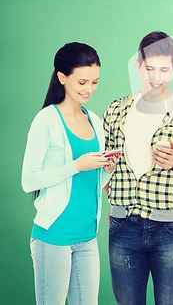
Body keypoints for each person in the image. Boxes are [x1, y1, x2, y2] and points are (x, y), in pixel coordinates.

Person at [104, 31, 173, 305]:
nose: (156, 77)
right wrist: (110, 187)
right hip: (122, 226)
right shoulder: (116, 111)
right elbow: (103, 170)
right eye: (149, 68)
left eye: (164, 69)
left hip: (169, 230)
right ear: (138, 64)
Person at [21, 42, 117, 305]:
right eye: (82, 82)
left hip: (86, 236)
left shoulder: (95, 121)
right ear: (62, 78)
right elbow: (28, 180)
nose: (89, 89)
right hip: (53, 237)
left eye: (95, 82)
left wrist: (107, 169)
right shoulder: (46, 120)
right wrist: (75, 165)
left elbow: (92, 181)